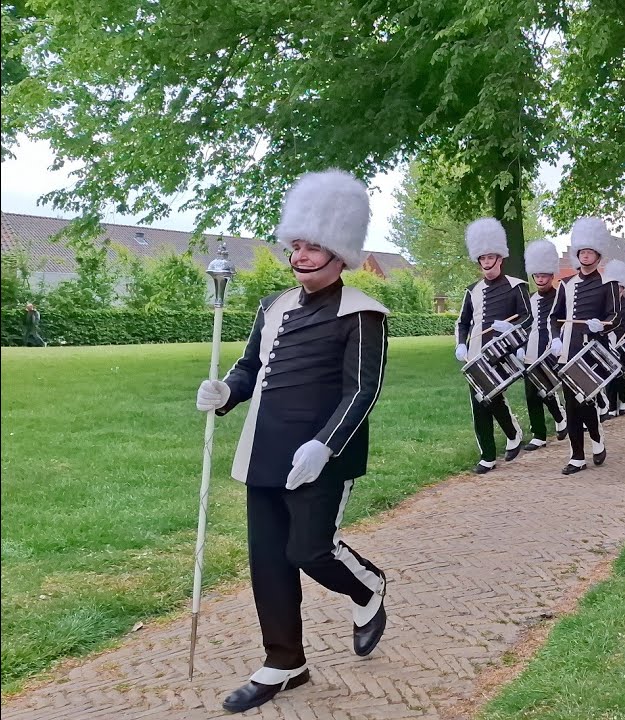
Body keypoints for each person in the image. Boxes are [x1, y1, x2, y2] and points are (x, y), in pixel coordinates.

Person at [194, 170, 390, 714]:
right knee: (268, 561)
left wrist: (325, 445)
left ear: (341, 254)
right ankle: (285, 661)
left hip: (322, 457)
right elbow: (251, 366)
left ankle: (368, 586)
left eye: (315, 247)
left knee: (309, 550)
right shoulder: (273, 307)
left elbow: (362, 389)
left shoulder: (362, 313)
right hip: (265, 452)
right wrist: (225, 392)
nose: (301, 256)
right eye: (296, 246)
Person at [455, 218, 532, 474]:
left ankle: (512, 432)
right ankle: (487, 455)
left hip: (503, 352)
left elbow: (528, 316)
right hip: (476, 355)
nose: (487, 263)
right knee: (479, 402)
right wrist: (460, 345)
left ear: (500, 258)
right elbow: (462, 322)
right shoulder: (471, 290)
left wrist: (512, 329)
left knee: (493, 398)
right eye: (483, 259)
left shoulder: (516, 286)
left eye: (491, 258)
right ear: (479, 261)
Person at [550, 217, 619, 475]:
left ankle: (597, 439)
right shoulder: (566, 284)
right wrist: (556, 338)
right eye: (583, 252)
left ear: (598, 256)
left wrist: (602, 325)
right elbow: (554, 317)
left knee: (586, 401)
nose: (586, 256)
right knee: (571, 405)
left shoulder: (608, 283)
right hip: (567, 351)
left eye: (591, 252)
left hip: (592, 352)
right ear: (578, 255)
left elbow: (615, 316)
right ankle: (577, 456)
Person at [519, 238, 567, 452]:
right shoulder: (529, 298)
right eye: (537, 275)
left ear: (551, 275)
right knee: (531, 393)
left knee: (546, 390)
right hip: (531, 348)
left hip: (552, 348)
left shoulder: (560, 296)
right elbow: (526, 323)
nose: (540, 279)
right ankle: (538, 434)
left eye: (544, 275)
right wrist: (520, 344)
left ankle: (560, 417)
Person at [602, 258, 625, 417]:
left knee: (621, 373)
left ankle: (622, 399)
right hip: (609, 341)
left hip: (623, 342)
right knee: (610, 373)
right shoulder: (605, 305)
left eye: (620, 287)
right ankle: (611, 405)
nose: (618, 290)